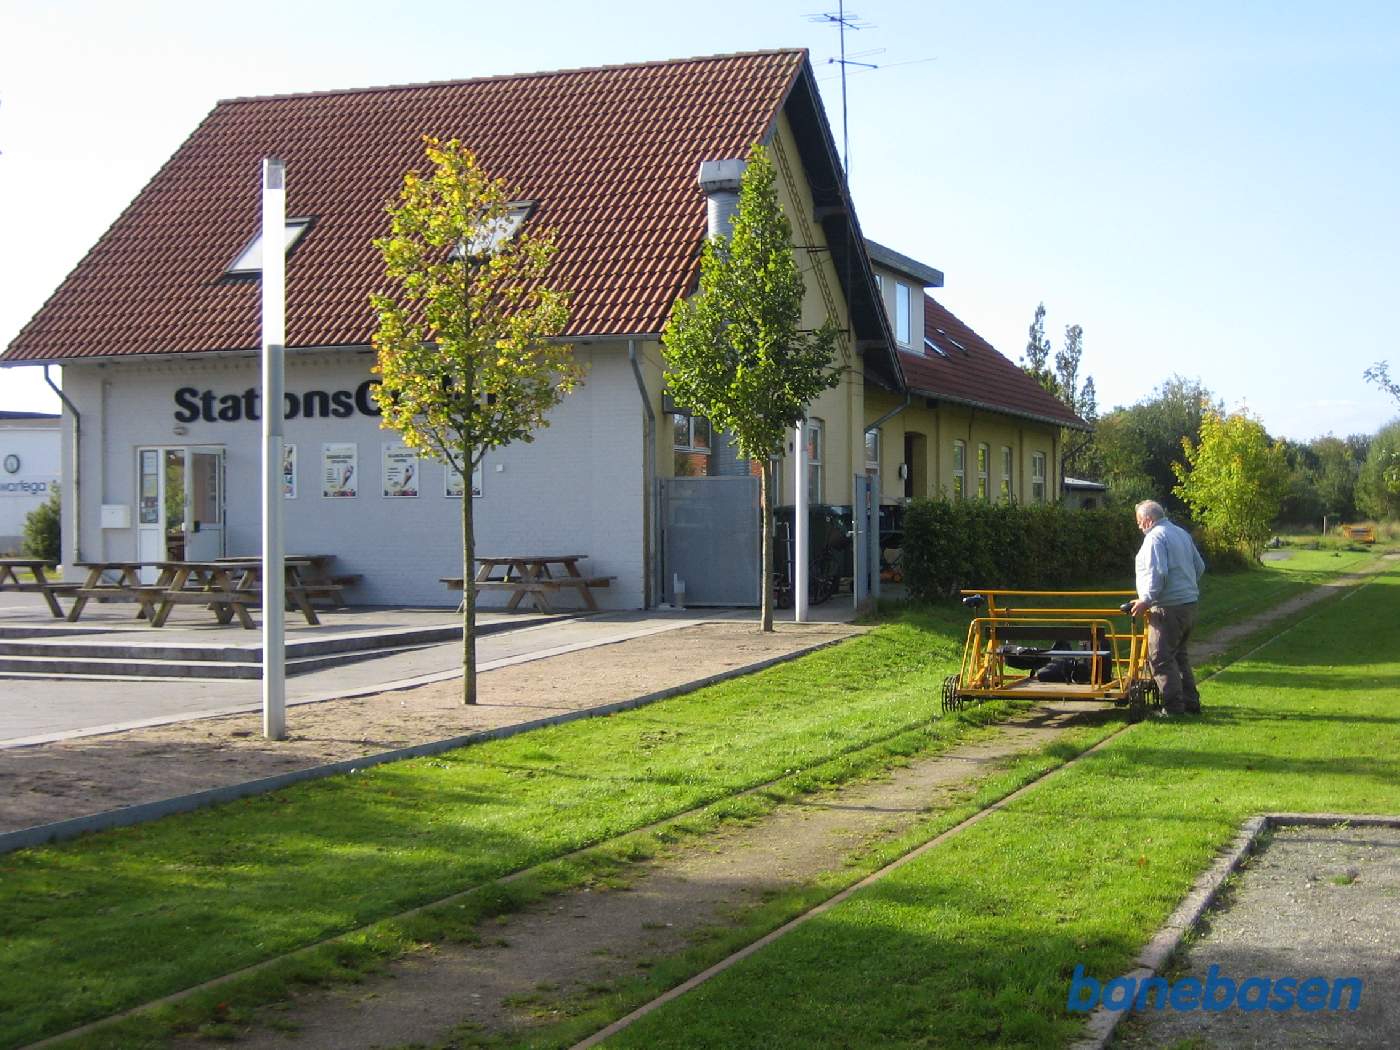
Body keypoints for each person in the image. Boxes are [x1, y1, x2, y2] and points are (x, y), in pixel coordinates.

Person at [1129, 500, 1206, 717]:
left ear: (1147, 520)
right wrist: (1185, 586)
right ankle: (1190, 703)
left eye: (1138, 522)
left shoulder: (1155, 538)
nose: (1138, 527)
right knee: (1179, 656)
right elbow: (1199, 567)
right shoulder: (1181, 533)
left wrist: (1146, 600)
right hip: (1188, 605)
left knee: (1161, 658)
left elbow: (1157, 574)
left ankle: (1173, 709)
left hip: (1167, 608)